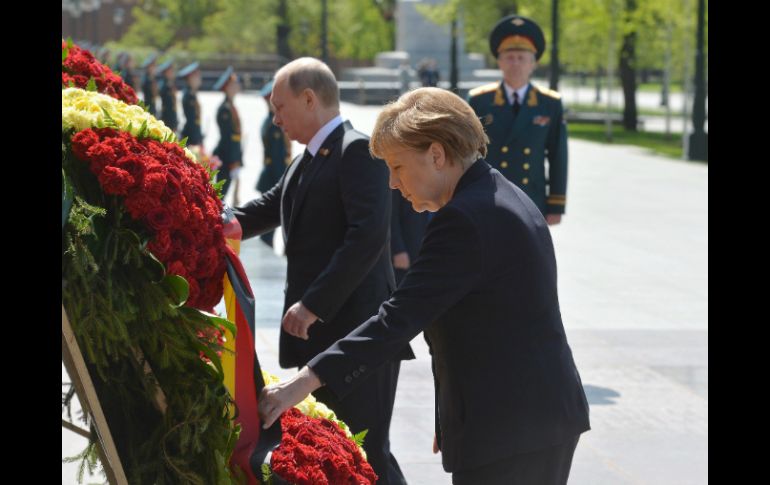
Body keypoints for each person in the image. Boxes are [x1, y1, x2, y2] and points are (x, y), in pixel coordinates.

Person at [258, 87, 590, 485]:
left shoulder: (466, 219)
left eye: (397, 167)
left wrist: (305, 380)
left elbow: (398, 317)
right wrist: (453, 412)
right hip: (523, 418)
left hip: (512, 428)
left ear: (436, 154)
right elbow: (464, 318)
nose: (394, 185)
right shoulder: (494, 194)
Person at [233, 57, 413, 485]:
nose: (276, 118)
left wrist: (313, 304)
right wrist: (210, 219)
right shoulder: (308, 159)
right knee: (339, 450)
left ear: (309, 99)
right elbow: (267, 208)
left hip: (356, 334)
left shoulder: (357, 151)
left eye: (280, 107)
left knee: (367, 452)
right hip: (323, 339)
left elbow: (367, 238)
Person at [468, 15, 568, 225]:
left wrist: (556, 203)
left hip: (532, 197)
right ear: (499, 61)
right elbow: (468, 152)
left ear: (534, 63)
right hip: (489, 195)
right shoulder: (480, 100)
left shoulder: (549, 103)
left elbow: (558, 156)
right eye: (509, 57)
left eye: (522, 58)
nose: (515, 63)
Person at [255, 79, 292, 248]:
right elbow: (277, 158)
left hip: (272, 175)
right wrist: (284, 181)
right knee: (269, 227)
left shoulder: (272, 123)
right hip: (273, 177)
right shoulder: (273, 126)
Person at [212, 67, 243, 204]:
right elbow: (227, 138)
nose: (237, 86)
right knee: (220, 197)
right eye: (234, 83)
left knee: (223, 197)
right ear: (228, 87)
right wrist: (233, 160)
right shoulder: (225, 109)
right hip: (226, 157)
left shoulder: (230, 106)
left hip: (231, 156)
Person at [390, 190, 429, 285]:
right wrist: (398, 249)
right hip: (406, 249)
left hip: (425, 246)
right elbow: (391, 214)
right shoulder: (398, 180)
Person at [178, 61, 204, 148]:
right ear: (190, 78)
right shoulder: (188, 96)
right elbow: (191, 121)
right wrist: (196, 140)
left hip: (195, 135)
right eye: (197, 76)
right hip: (191, 138)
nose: (199, 78)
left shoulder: (192, 94)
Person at [157, 60, 178, 132]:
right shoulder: (164, 85)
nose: (173, 73)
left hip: (172, 117)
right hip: (167, 118)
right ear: (166, 72)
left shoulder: (169, 84)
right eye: (171, 71)